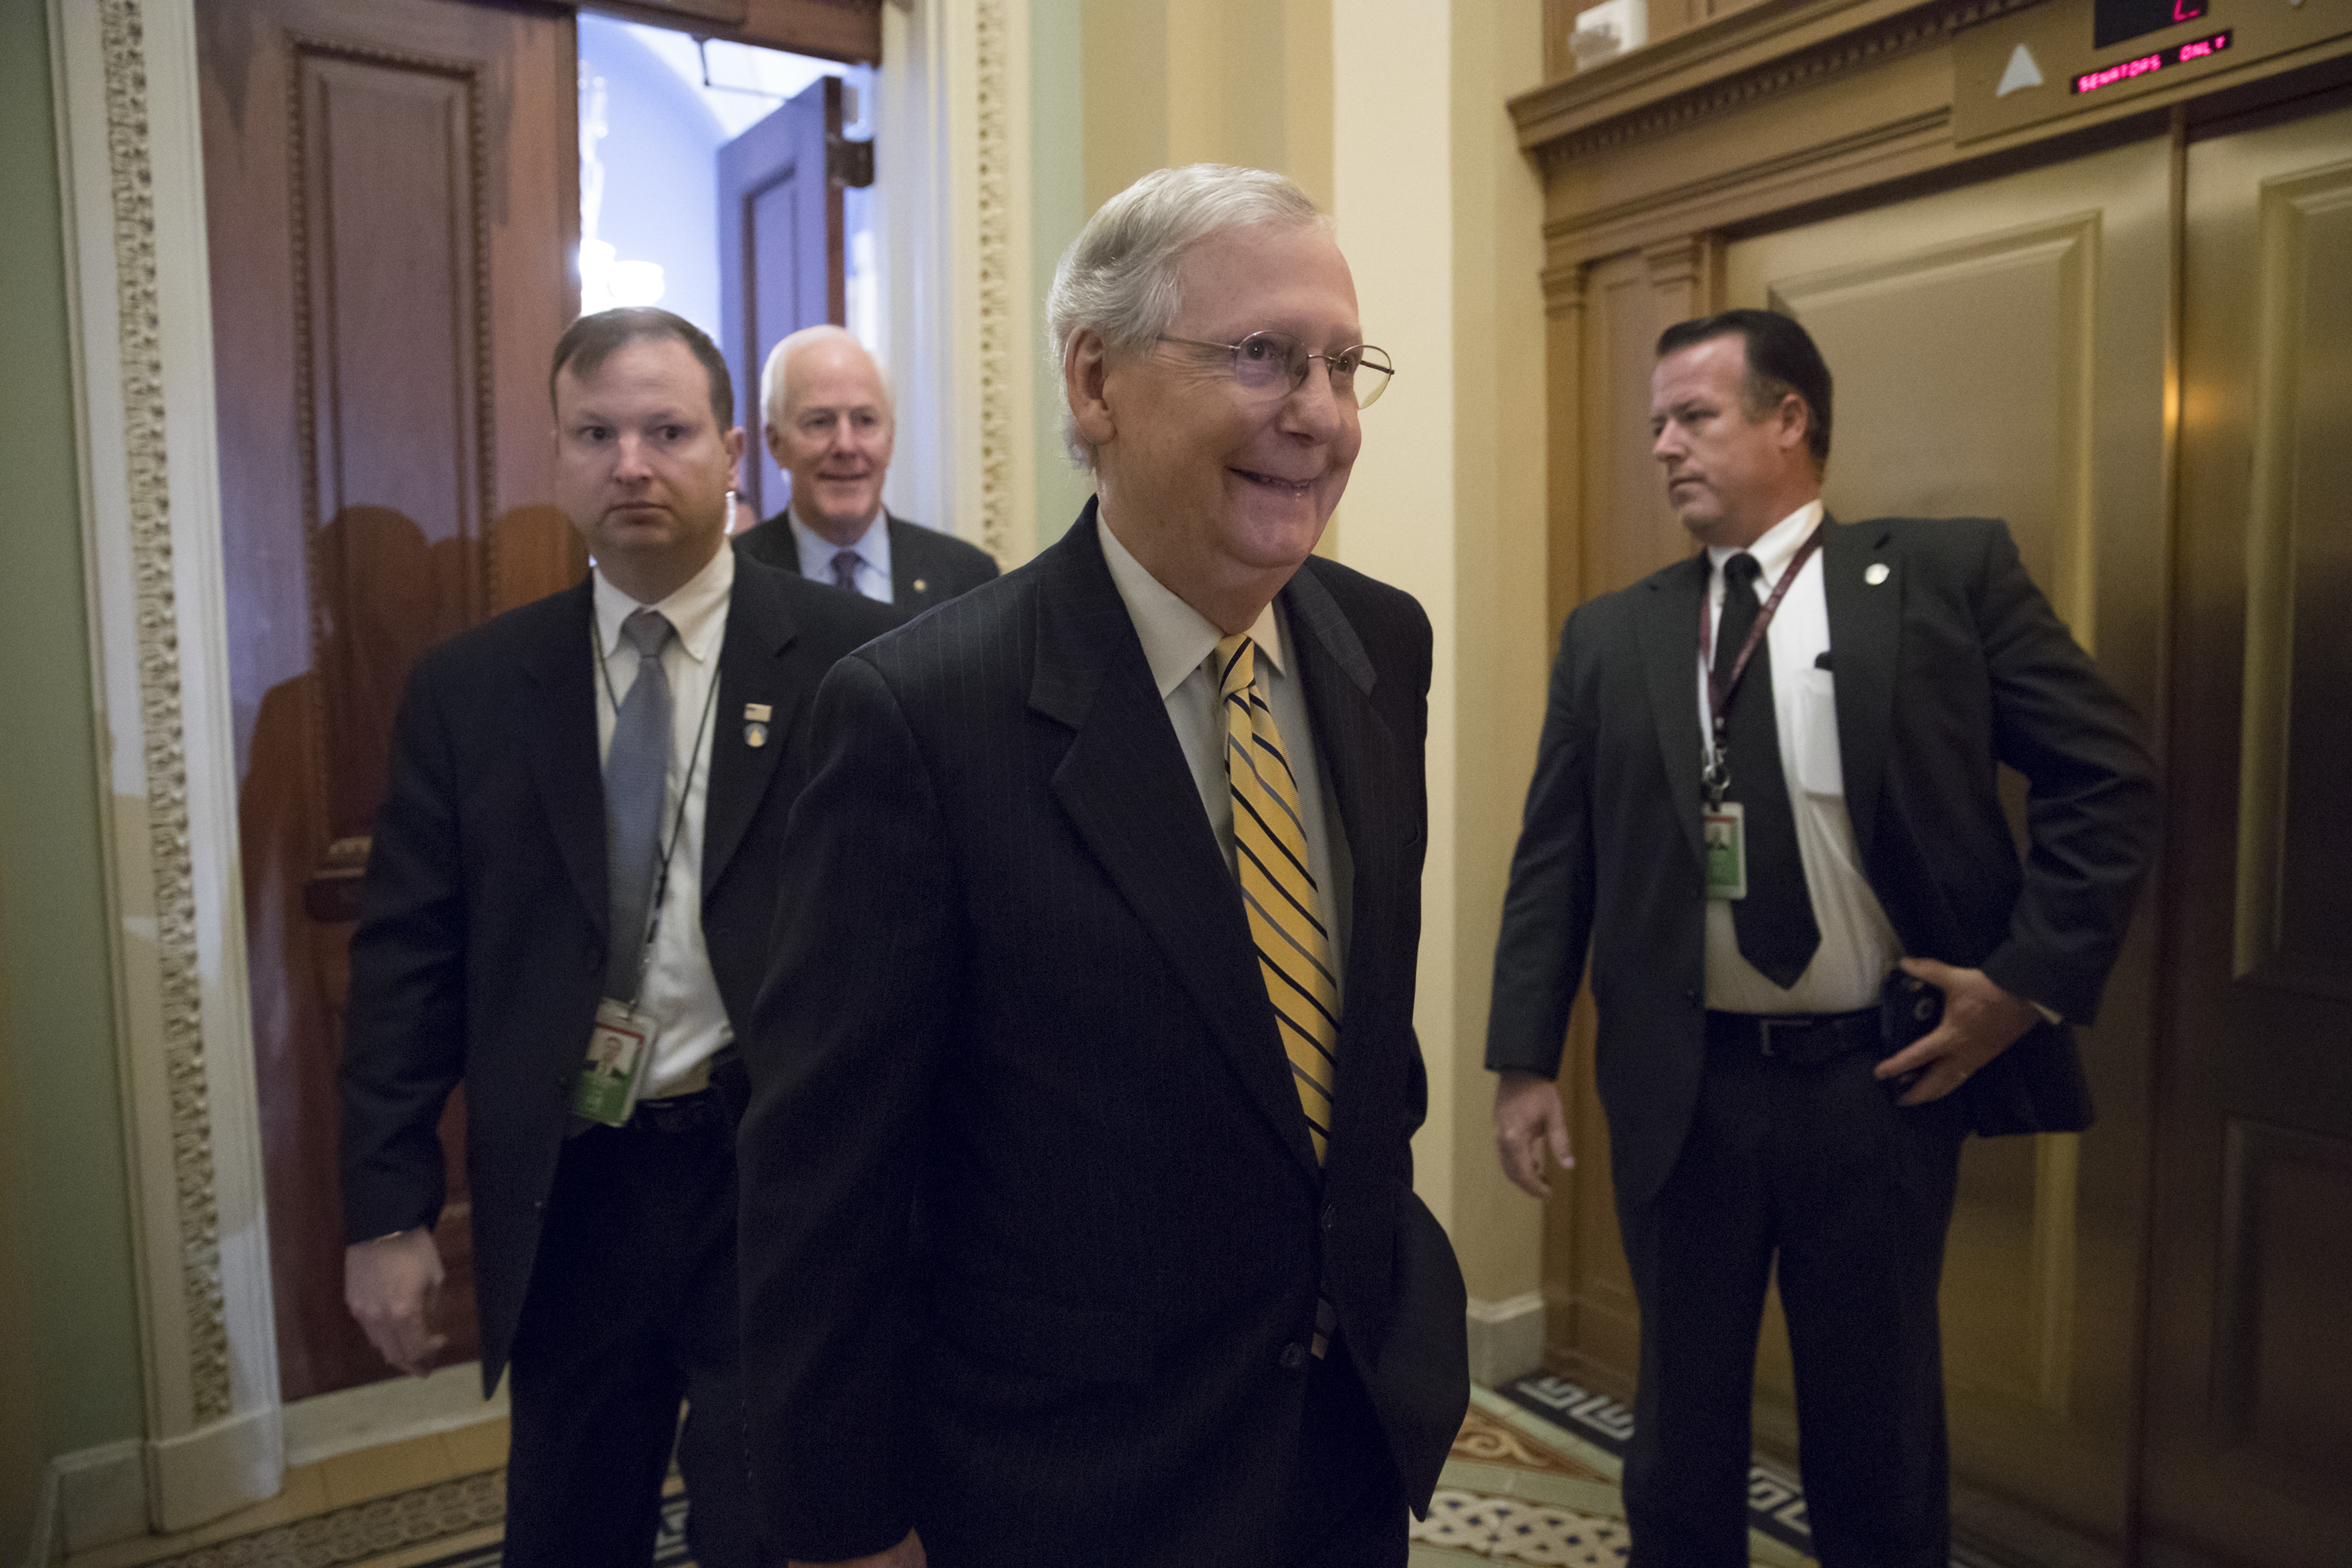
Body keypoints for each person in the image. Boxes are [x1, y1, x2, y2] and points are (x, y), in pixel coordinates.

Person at [736, 165, 1469, 1568]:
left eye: (1338, 364)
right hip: (1067, 1487)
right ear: (1095, 382)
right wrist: (844, 1524)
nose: (1317, 415)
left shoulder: (1383, 647)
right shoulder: (921, 713)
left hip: (1345, 1450)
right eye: (1260, 356)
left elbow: (1350, 1041)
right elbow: (823, 1183)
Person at [1485, 309, 2159, 1566]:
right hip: (1682, 1089)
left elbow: (2105, 773)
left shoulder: (1946, 577)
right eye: (1652, 426)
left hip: (1880, 1082)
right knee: (1677, 1421)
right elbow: (1552, 858)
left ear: (1788, 419)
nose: (1662, 447)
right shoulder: (1613, 633)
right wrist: (1522, 1057)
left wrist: (2022, 984)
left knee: (1875, 1417)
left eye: (1692, 417)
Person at [339, 307, 897, 1568]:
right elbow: (406, 965)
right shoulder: (472, 690)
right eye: (596, 433)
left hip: (775, 1178)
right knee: (568, 1528)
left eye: (666, 430)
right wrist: (387, 1212)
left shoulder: (858, 671)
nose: (631, 463)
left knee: (774, 1525)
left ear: (732, 449)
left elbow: (913, 955)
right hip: (576, 1187)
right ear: (556, 455)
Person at [731, 324, 998, 612]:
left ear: (891, 439)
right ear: (776, 443)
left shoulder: (967, 579)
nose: (846, 446)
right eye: (819, 422)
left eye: (865, 420)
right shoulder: (734, 579)